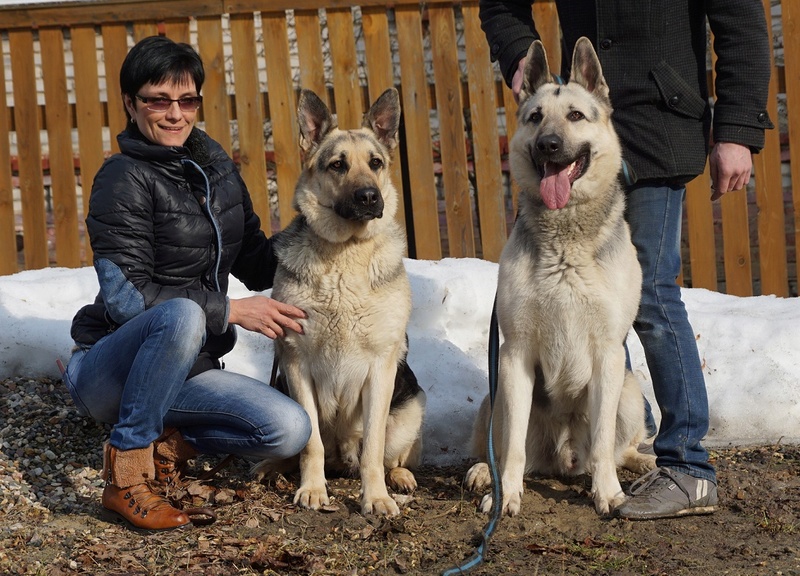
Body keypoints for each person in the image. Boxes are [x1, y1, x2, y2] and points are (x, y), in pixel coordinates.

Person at [479, 1, 773, 519]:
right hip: (581, 117)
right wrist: (517, 54)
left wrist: (737, 128)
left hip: (660, 120)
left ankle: (688, 469)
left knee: (652, 298)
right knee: (599, 317)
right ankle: (606, 453)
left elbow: (740, 19)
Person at [62, 36, 312, 531]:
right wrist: (232, 311)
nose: (175, 113)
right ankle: (127, 472)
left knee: (288, 430)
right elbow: (126, 300)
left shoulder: (216, 170)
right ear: (132, 105)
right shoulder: (122, 178)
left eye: (187, 100)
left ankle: (166, 443)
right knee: (183, 313)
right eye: (158, 100)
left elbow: (261, 263)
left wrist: (323, 216)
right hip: (109, 369)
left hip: (186, 369)